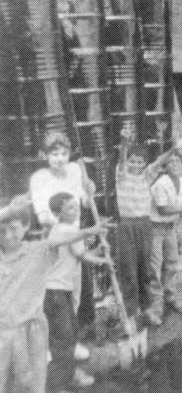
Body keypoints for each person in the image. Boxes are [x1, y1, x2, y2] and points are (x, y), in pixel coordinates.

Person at [0, 195, 108, 393]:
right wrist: (9, 210)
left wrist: (89, 232)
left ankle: (59, 381)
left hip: (32, 325)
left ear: (26, 227)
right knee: (10, 378)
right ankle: (59, 382)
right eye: (1, 231)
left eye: (13, 229)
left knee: (36, 372)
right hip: (6, 330)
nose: (7, 236)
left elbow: (61, 241)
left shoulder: (35, 249)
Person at [29, 131, 96, 352]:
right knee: (56, 294)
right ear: (45, 155)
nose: (59, 158)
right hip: (56, 240)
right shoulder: (39, 177)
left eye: (64, 153)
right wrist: (64, 229)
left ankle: (71, 341)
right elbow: (42, 215)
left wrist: (89, 192)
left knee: (75, 291)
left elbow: (84, 204)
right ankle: (53, 344)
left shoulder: (76, 170)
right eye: (54, 154)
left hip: (74, 236)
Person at [45, 192, 111, 391]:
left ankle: (70, 374)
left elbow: (80, 254)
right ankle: (56, 384)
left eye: (76, 206)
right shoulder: (62, 230)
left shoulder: (72, 230)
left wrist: (99, 251)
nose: (76, 211)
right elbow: (82, 253)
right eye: (70, 208)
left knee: (70, 334)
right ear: (58, 214)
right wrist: (102, 258)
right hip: (54, 292)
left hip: (62, 291)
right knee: (63, 339)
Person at [115, 134, 181, 319]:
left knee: (146, 268)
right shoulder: (121, 176)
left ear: (144, 164)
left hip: (145, 225)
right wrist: (124, 145)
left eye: (139, 162)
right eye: (132, 161)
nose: (135, 165)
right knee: (128, 269)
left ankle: (147, 309)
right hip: (127, 227)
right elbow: (121, 161)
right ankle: (129, 313)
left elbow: (159, 161)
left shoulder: (147, 176)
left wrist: (173, 150)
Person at [145, 151, 182, 327]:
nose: (174, 164)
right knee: (155, 268)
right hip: (155, 229)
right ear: (164, 167)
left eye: (177, 161)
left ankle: (170, 297)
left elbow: (178, 207)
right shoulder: (160, 184)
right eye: (170, 162)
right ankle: (156, 307)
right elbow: (164, 209)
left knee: (172, 263)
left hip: (170, 228)